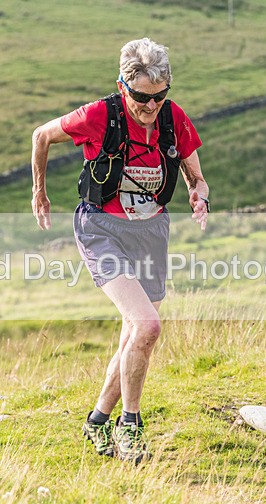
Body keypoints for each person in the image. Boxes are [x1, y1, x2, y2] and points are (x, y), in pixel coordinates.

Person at [30, 37, 209, 464]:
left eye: (159, 96)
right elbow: (41, 136)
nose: (151, 106)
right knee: (148, 325)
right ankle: (131, 425)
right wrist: (39, 192)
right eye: (142, 98)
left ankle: (97, 421)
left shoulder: (173, 119)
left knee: (134, 333)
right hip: (101, 228)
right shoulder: (99, 115)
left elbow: (196, 177)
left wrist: (199, 196)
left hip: (151, 232)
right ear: (122, 86)